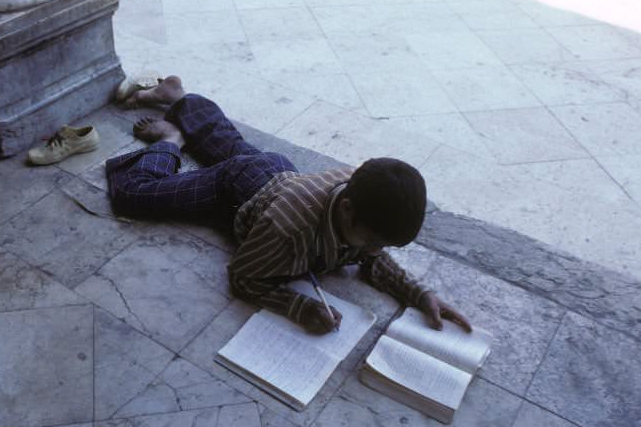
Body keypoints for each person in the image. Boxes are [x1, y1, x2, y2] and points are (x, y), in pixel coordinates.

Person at [106, 75, 471, 335]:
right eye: (375, 240)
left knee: (224, 141)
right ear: (346, 210)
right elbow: (244, 276)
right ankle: (170, 140)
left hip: (278, 174)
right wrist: (300, 308)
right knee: (134, 195)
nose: (376, 251)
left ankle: (178, 96)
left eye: (383, 244)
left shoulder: (361, 193)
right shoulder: (286, 229)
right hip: (235, 191)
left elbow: (370, 257)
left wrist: (419, 294)